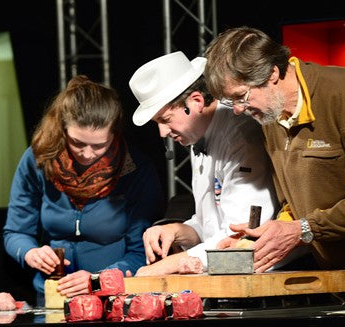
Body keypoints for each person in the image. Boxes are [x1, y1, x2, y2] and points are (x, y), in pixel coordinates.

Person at [204, 26, 345, 326]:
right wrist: (258, 242)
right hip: (342, 283)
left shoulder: (344, 93)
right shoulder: (270, 116)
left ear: (272, 73)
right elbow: (294, 208)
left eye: (240, 96)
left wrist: (302, 230)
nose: (237, 110)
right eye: (230, 102)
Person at [128, 51, 306, 276]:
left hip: (274, 273)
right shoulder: (199, 134)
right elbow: (212, 226)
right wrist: (178, 230)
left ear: (196, 101)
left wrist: (168, 266)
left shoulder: (241, 135)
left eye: (165, 120)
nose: (162, 132)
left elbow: (240, 238)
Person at [3, 75, 164, 304]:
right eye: (77, 143)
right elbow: (15, 233)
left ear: (114, 134)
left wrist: (98, 280)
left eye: (99, 145)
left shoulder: (136, 169)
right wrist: (30, 252)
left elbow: (142, 254)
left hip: (113, 298)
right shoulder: (38, 160)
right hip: (52, 298)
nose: (87, 154)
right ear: (62, 129)